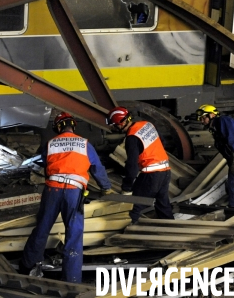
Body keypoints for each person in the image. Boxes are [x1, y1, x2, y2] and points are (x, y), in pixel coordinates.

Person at [19, 112, 112, 283]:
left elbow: (46, 165)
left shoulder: (50, 144)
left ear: (59, 127)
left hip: (52, 190)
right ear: (73, 126)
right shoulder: (85, 144)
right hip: (73, 192)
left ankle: (27, 266)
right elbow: (97, 168)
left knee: (42, 229)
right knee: (74, 235)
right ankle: (71, 279)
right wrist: (106, 188)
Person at [107, 106, 174, 223]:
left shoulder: (131, 137)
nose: (113, 127)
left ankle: (127, 234)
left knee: (134, 206)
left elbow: (132, 166)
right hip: (165, 171)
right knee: (163, 205)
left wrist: (126, 187)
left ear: (121, 123)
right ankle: (172, 229)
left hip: (151, 175)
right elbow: (162, 142)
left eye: (114, 124)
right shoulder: (147, 124)